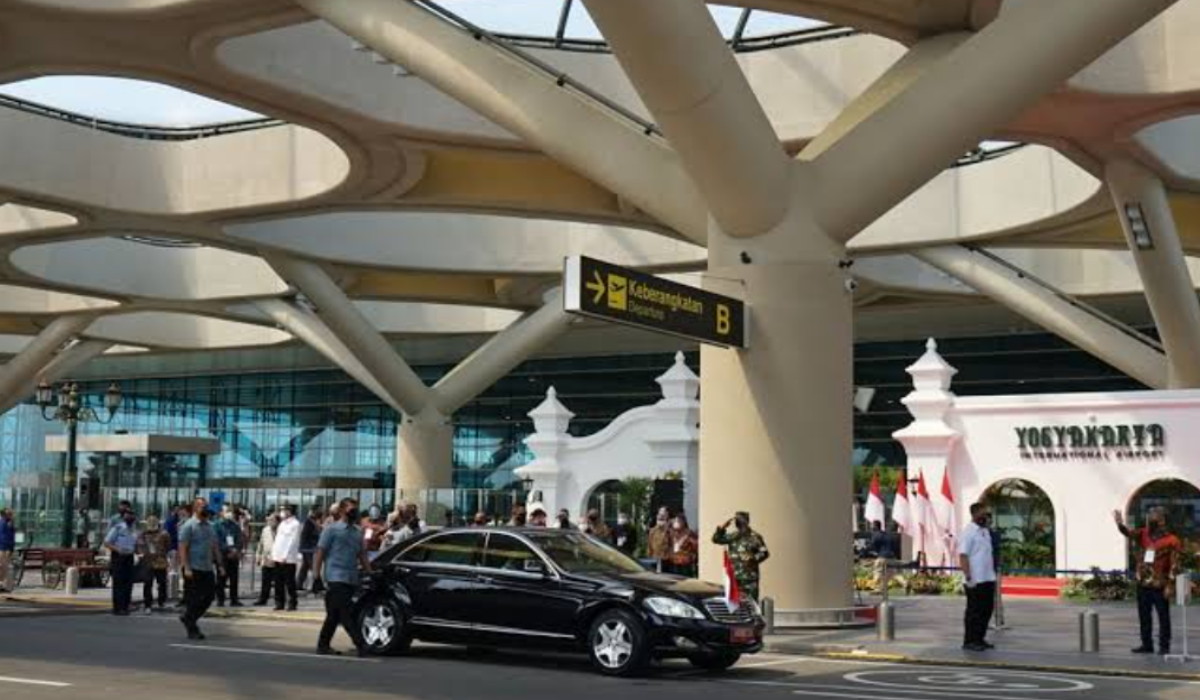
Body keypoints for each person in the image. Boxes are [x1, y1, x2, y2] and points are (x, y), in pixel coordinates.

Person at [1114, 506, 1182, 655]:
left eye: (1153, 516)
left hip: (1159, 584)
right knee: (1144, 616)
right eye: (1149, 516)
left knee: (1163, 617)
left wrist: (1170, 585)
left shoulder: (1172, 540)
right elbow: (1128, 533)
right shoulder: (1143, 533)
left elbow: (1175, 565)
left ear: (1162, 520)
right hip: (1143, 582)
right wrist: (1120, 524)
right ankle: (1147, 644)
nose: (1149, 518)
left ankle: (1164, 646)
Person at [314, 498, 371, 656]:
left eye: (355, 510)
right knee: (346, 613)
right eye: (351, 510)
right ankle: (361, 644)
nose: (354, 513)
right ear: (341, 511)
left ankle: (323, 645)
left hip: (351, 578)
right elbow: (320, 552)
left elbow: (362, 555)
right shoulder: (331, 530)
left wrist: (369, 572)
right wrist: (316, 576)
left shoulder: (357, 532)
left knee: (333, 614)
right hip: (335, 577)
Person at [178, 497, 223, 640]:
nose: (204, 508)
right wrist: (186, 567)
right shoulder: (188, 525)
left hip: (207, 567)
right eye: (201, 506)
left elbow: (215, 547)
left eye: (205, 506)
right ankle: (192, 627)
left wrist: (220, 565)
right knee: (194, 598)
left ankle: (188, 617)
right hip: (193, 567)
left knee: (209, 596)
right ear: (195, 508)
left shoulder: (210, 526)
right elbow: (183, 547)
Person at [958, 502, 997, 652]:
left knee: (986, 610)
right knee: (974, 611)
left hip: (988, 578)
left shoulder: (985, 531)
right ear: (975, 514)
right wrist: (968, 577)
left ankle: (980, 638)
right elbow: (963, 556)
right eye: (984, 514)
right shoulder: (969, 532)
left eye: (987, 514)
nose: (986, 517)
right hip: (975, 579)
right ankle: (969, 641)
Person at [712, 511, 771, 601]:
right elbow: (716, 539)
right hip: (734, 577)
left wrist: (753, 558)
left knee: (751, 603)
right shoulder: (733, 536)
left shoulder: (755, 537)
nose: (737, 522)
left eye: (739, 520)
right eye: (736, 520)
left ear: (746, 521)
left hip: (749, 577)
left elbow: (765, 553)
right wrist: (722, 528)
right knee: (735, 604)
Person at [103, 508, 139, 616]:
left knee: (128, 582)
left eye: (132, 514)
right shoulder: (118, 528)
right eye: (128, 514)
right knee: (119, 582)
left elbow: (136, 544)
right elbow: (107, 542)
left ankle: (125, 606)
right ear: (124, 516)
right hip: (119, 557)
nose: (130, 517)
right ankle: (118, 607)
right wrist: (118, 549)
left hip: (129, 557)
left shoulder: (134, 529)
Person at [137, 515, 171, 613]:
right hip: (148, 562)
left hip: (160, 561)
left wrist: (163, 553)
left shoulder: (164, 534)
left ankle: (161, 601)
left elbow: (168, 546)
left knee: (162, 583)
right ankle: (148, 603)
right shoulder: (143, 534)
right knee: (148, 583)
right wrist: (141, 554)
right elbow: (139, 546)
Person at [271, 503, 301, 611]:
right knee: (278, 582)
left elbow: (292, 542)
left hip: (288, 558)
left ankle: (292, 603)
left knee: (289, 582)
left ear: (290, 511)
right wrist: (275, 554)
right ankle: (279, 602)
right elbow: (278, 540)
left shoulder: (295, 524)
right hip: (277, 556)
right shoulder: (282, 524)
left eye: (284, 510)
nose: (282, 512)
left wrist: (285, 556)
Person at [214, 507, 245, 607]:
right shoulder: (217, 525)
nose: (229, 514)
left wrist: (236, 549)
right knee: (221, 578)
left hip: (234, 555)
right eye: (227, 511)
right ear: (221, 513)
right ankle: (220, 599)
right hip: (222, 554)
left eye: (230, 511)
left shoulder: (234, 525)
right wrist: (228, 549)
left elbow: (239, 538)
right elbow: (217, 541)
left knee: (234, 578)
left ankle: (234, 599)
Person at [253, 514, 279, 606]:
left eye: (272, 520)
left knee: (278, 581)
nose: (270, 522)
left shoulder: (281, 530)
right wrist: (258, 556)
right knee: (265, 581)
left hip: (277, 559)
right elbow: (261, 544)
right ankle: (263, 599)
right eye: (269, 520)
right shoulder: (265, 530)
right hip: (267, 558)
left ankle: (278, 600)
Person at [297, 506, 323, 594]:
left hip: (308, 548)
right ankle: (318, 585)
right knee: (314, 566)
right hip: (309, 548)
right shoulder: (309, 522)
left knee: (305, 566)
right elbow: (305, 535)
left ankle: (299, 583)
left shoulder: (313, 522)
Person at [647, 507, 671, 573]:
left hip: (667, 557)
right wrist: (649, 554)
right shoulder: (653, 530)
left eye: (663, 512)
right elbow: (650, 543)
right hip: (655, 556)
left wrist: (666, 527)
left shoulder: (671, 526)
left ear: (667, 513)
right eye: (659, 513)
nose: (661, 514)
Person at [0, 509, 14, 593]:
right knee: (3, 566)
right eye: (9, 514)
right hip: (3, 548)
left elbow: (10, 536)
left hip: (5, 548)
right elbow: (5, 537)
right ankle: (3, 585)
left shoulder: (8, 524)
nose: (11, 516)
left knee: (5, 567)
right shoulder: (3, 523)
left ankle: (4, 585)